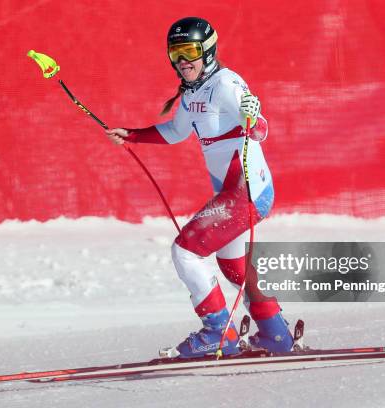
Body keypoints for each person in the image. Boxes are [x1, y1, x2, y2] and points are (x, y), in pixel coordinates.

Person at [105, 17, 293, 358]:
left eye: (189, 52)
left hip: (246, 192)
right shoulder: (191, 93)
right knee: (233, 266)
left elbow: (259, 127)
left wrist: (257, 119)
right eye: (175, 53)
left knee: (185, 251)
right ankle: (276, 335)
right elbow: (176, 132)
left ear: (207, 51)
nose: (182, 61)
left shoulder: (226, 83)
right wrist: (131, 134)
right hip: (234, 194)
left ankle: (218, 333)